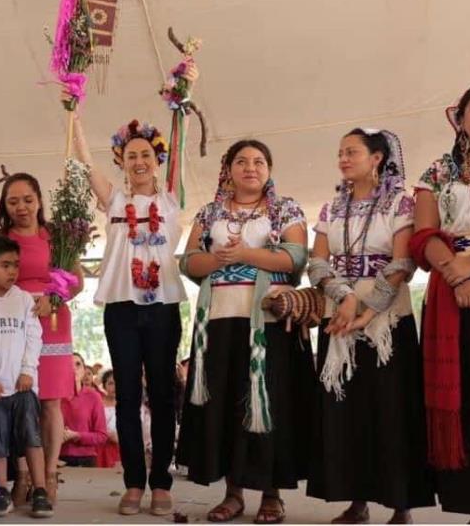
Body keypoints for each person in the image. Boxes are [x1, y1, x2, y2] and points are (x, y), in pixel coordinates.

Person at [69, 62, 197, 514]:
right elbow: (84, 164)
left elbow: (179, 152)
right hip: (121, 307)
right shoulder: (116, 200)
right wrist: (75, 117)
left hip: (161, 306)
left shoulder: (169, 199)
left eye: (147, 154)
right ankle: (133, 484)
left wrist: (180, 104)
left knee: (162, 393)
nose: (139, 161)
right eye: (131, 155)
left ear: (157, 160)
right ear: (121, 160)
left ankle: (162, 481)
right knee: (125, 395)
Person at [176, 139, 313, 524]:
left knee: (269, 404)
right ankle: (232, 493)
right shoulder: (210, 211)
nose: (250, 167)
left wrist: (244, 256)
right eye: (241, 161)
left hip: (268, 324)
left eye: (258, 161)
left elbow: (295, 256)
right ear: (228, 169)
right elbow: (188, 262)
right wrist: (216, 258)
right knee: (226, 403)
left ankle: (272, 495)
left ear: (268, 168)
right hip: (218, 320)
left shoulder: (285, 208)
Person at [307, 129, 434, 523]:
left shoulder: (400, 202)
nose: (343, 158)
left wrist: (366, 309)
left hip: (387, 320)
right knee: (346, 409)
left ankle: (401, 504)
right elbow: (318, 263)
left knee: (392, 409)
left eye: (352, 152)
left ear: (377, 157)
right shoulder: (331, 208)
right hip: (339, 318)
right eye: (340, 152)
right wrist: (344, 298)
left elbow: (402, 264)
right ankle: (356, 500)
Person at [411, 81, 470, 523]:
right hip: (450, 289)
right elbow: (422, 235)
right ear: (460, 118)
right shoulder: (438, 171)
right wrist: (456, 274)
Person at [0, 173, 83, 505]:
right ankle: (23, 476)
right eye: (13, 201)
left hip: (54, 321)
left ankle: (50, 474)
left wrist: (54, 299)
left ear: (39, 200)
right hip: (13, 325)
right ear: (5, 206)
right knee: (18, 399)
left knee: (51, 402)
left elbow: (77, 281)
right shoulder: (0, 238)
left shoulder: (57, 236)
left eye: (27, 199)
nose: (21, 207)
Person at [0, 234, 53, 518]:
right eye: (5, 265)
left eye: (15, 265)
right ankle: (0, 491)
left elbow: (35, 336)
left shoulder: (23, 299)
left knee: (32, 437)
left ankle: (40, 490)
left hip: (23, 387)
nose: (12, 271)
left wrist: (27, 371)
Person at [59, 353, 107, 467]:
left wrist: (77, 435)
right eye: (68, 365)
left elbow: (102, 436)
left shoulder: (94, 396)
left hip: (86, 459)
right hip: (56, 457)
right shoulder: (54, 397)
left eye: (78, 364)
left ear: (84, 370)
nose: (74, 368)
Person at [96, 369, 121, 469]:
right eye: (111, 383)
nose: (114, 387)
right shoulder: (98, 403)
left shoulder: (128, 405)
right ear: (104, 385)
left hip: (121, 448)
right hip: (101, 448)